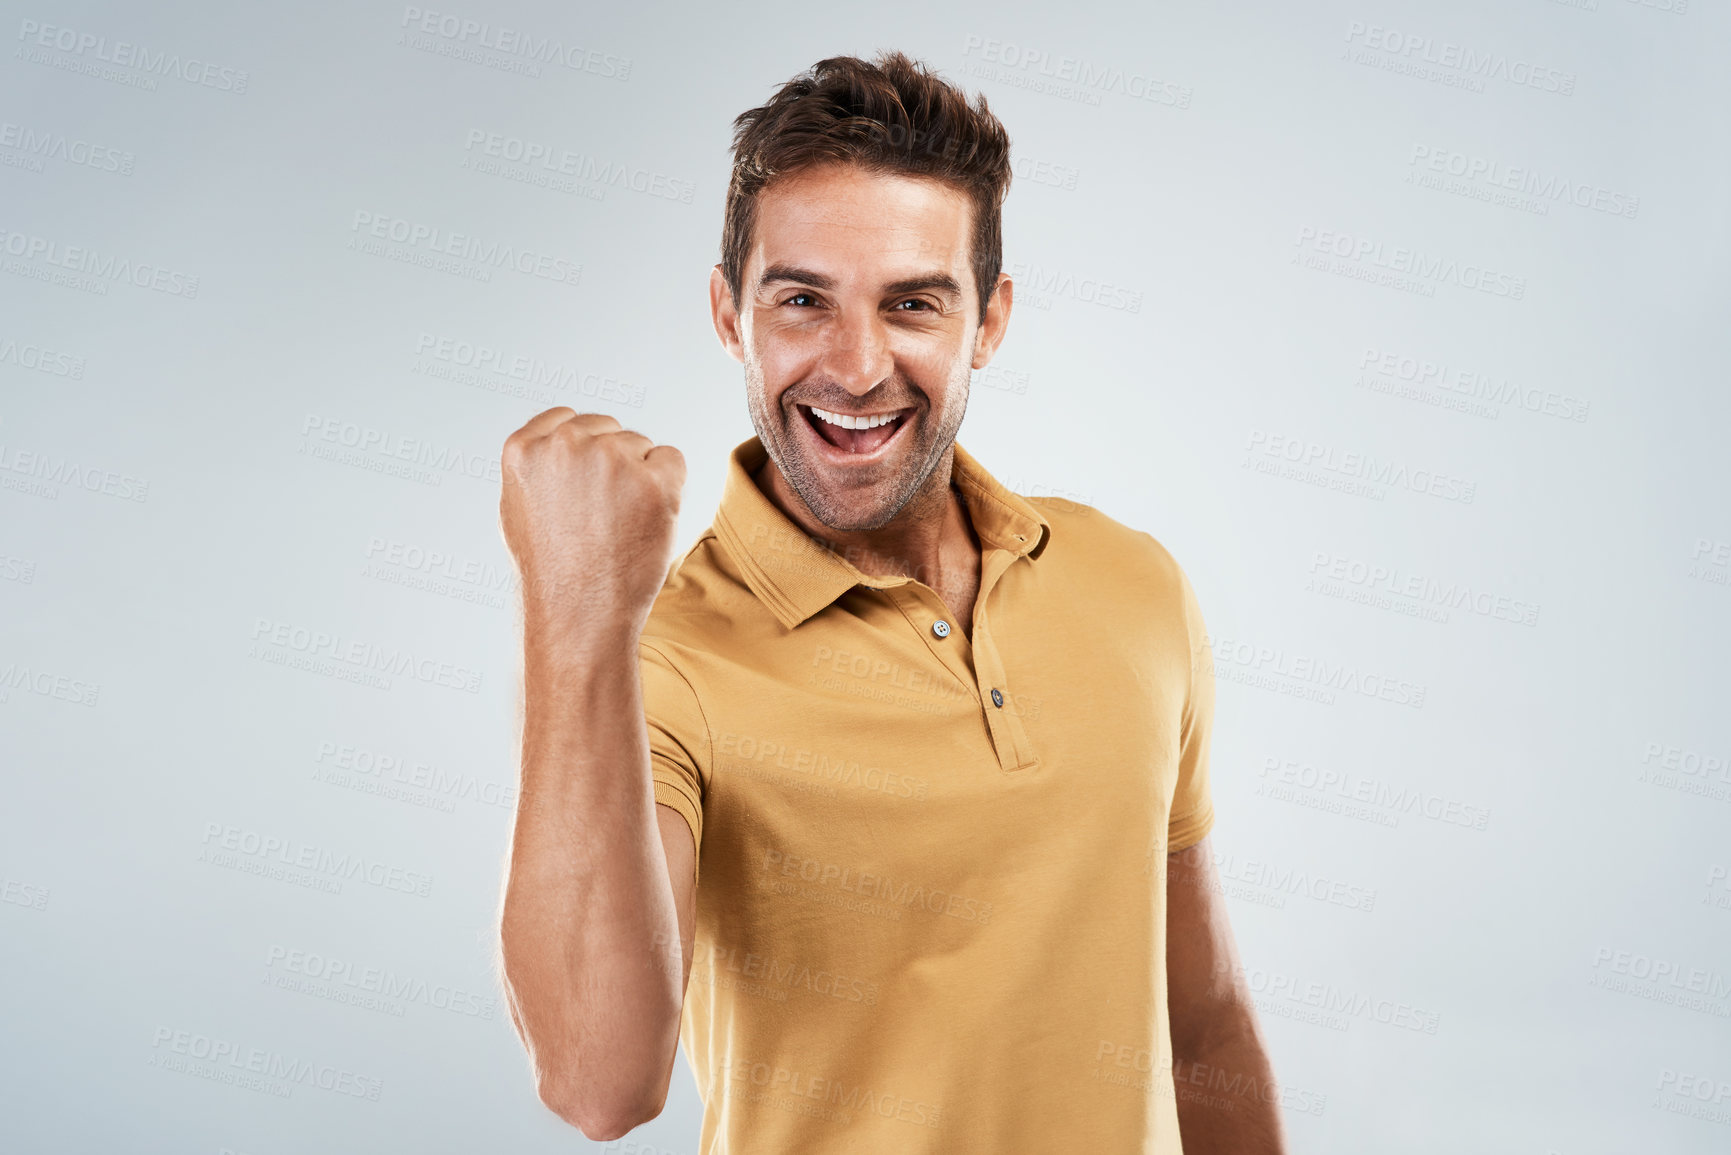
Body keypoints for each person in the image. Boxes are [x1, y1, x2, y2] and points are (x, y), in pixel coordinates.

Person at [496, 50, 1287, 1154]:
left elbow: (1201, 1034)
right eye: (803, 300)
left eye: (912, 302)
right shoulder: (665, 662)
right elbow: (597, 1084)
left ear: (990, 321)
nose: (857, 366)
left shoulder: (1133, 583)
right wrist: (577, 612)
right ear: (730, 313)